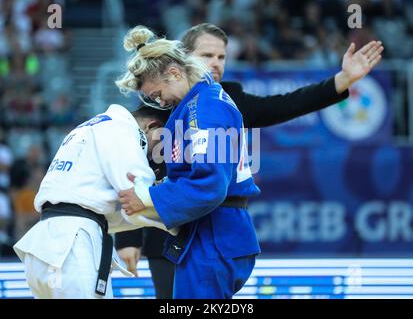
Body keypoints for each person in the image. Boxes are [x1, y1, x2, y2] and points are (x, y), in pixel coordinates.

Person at [115, 23, 384, 298]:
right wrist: (130, 231)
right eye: (207, 56)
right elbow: (141, 170)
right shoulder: (179, 106)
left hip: (208, 229)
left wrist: (342, 80)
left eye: (221, 57)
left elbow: (210, 181)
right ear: (183, 58)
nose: (215, 64)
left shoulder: (207, 105)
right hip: (184, 229)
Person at [13, 104, 174, 299]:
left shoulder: (87, 127)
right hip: (73, 246)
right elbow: (140, 195)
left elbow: (122, 208)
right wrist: (182, 222)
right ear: (152, 126)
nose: (152, 156)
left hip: (44, 244)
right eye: (159, 145)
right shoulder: (123, 129)